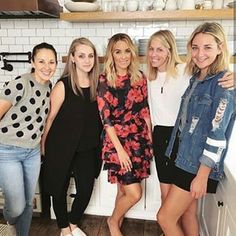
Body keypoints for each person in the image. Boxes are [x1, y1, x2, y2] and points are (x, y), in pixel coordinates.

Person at [146, 29, 235, 235]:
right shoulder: (197, 78)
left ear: (220, 48)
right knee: (186, 213)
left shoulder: (223, 84)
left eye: (207, 47)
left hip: (196, 163)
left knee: (164, 218)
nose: (200, 53)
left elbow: (217, 135)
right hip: (182, 155)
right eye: (195, 47)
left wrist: (203, 175)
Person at [41, 37, 102, 236]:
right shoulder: (63, 85)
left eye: (90, 56)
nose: (87, 60)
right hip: (61, 145)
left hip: (86, 146)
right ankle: (63, 228)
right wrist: (43, 145)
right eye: (81, 56)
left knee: (85, 189)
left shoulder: (96, 84)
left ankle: (73, 222)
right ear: (73, 58)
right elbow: (49, 119)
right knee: (59, 187)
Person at [97, 33, 153, 236]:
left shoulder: (139, 78)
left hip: (138, 140)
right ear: (111, 54)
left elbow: (144, 109)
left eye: (127, 51)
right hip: (116, 142)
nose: (123, 56)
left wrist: (150, 138)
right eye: (117, 51)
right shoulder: (104, 80)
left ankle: (116, 222)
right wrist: (120, 151)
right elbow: (106, 120)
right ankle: (113, 221)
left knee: (123, 189)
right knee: (134, 193)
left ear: (132, 53)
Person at [0, 42, 57, 236]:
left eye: (51, 62)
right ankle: (9, 222)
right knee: (16, 207)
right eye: (41, 61)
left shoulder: (49, 86)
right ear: (32, 62)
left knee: (27, 203)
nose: (46, 67)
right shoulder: (20, 83)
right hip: (7, 150)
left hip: (32, 152)